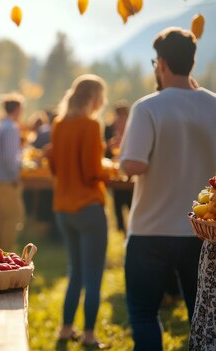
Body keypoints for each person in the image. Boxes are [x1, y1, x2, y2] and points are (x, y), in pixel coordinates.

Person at [117, 27, 216, 351]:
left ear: (160, 63)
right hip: (203, 232)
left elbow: (134, 165)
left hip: (151, 230)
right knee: (202, 319)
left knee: (144, 315)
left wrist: (121, 157)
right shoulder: (213, 105)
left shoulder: (148, 107)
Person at [49, 74, 108, 348]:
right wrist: (109, 168)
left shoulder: (59, 125)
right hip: (88, 207)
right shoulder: (91, 125)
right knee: (94, 274)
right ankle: (89, 334)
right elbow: (91, 172)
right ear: (95, 98)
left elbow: (56, 167)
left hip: (63, 208)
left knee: (76, 271)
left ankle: (65, 329)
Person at [0, 94, 25, 251]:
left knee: (2, 217)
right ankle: (5, 252)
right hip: (8, 178)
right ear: (17, 109)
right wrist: (15, 176)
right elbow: (10, 157)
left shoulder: (0, 126)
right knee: (13, 216)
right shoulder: (11, 128)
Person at [106, 101, 132, 234]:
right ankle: (122, 231)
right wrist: (110, 148)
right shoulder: (110, 128)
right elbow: (107, 154)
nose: (120, 119)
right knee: (118, 206)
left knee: (131, 207)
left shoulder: (134, 129)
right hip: (116, 177)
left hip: (131, 178)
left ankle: (129, 232)